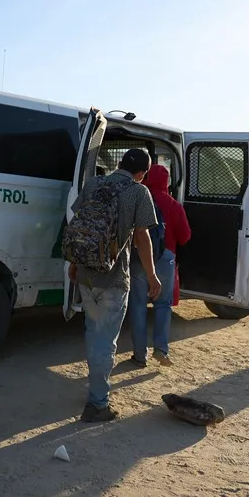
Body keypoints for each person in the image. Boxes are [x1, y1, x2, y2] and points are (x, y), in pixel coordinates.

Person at [66, 148, 161, 422]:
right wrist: (153, 276)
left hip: (85, 274)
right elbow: (142, 238)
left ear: (119, 163)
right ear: (142, 173)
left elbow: (80, 223)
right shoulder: (138, 192)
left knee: (93, 333)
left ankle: (96, 389)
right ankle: (97, 403)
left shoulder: (94, 183)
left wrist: (74, 262)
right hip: (114, 278)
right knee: (105, 341)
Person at [127, 163, 191, 367]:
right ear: (167, 182)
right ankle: (161, 350)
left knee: (137, 306)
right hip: (165, 259)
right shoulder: (173, 205)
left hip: (138, 258)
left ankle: (139, 355)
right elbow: (185, 237)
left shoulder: (138, 197)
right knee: (163, 305)